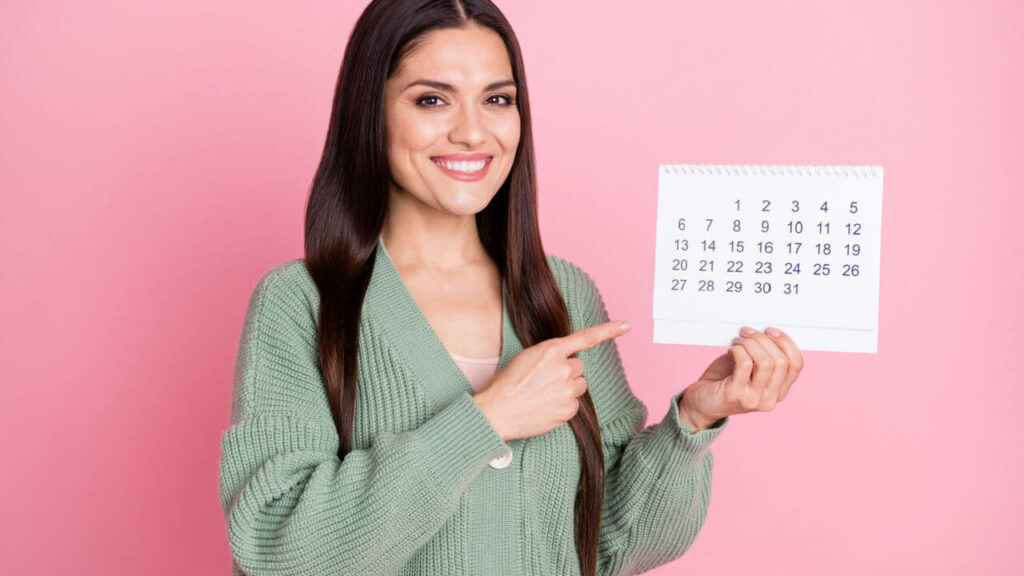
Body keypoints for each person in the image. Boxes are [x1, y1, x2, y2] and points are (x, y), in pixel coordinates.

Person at [217, 1, 805, 575]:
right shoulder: (303, 303)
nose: (473, 132)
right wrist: (487, 418)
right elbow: (278, 549)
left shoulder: (562, 295)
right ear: (370, 113)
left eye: (497, 100)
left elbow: (609, 545)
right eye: (432, 99)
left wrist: (693, 424)